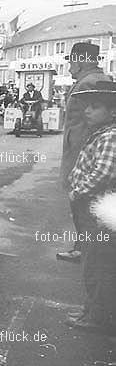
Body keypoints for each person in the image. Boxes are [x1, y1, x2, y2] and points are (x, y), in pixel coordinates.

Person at [64, 80, 116, 334]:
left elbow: (102, 173)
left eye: (95, 107)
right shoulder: (100, 133)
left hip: (97, 207)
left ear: (112, 112)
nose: (87, 111)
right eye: (87, 106)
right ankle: (91, 309)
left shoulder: (110, 136)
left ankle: (97, 316)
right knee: (91, 260)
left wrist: (78, 191)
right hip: (94, 207)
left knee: (97, 264)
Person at [58, 43, 111, 263]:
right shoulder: (91, 80)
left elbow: (92, 121)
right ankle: (88, 247)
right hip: (83, 147)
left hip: (82, 150)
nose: (70, 66)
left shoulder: (88, 83)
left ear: (81, 61)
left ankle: (85, 249)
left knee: (82, 200)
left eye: (72, 61)